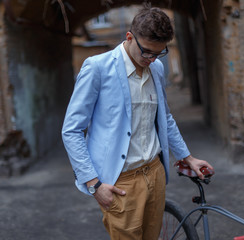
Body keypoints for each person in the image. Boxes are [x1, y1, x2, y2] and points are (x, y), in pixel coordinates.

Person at [62, 5, 214, 240]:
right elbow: (72, 130)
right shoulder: (98, 68)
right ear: (130, 37)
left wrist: (187, 157)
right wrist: (94, 184)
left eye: (158, 53)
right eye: (147, 52)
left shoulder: (156, 68)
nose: (151, 59)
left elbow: (164, 117)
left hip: (155, 172)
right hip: (121, 181)